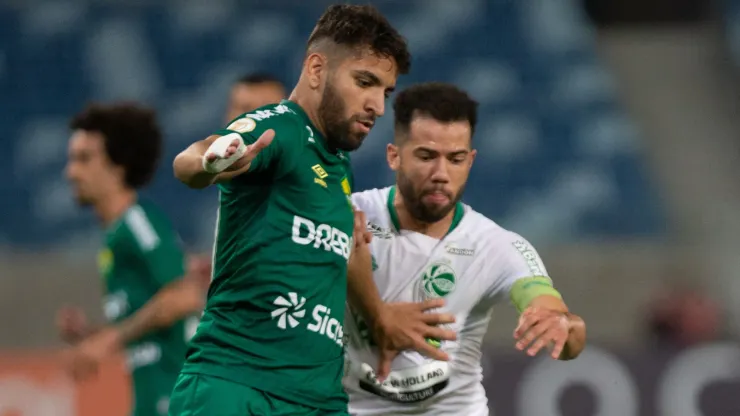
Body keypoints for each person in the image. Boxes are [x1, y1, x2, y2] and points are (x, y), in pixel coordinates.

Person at [169, 4, 456, 416]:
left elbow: (346, 248)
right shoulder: (281, 128)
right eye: (365, 82)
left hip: (317, 399)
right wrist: (212, 161)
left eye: (385, 92)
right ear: (317, 69)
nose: (377, 105)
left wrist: (379, 317)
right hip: (238, 387)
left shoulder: (338, 166)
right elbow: (190, 161)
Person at [344, 83, 588, 415]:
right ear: (394, 156)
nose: (441, 174)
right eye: (426, 156)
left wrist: (562, 325)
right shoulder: (349, 216)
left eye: (455, 159)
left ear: (470, 161)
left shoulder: (496, 245)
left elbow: (558, 321)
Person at [60, 103, 210, 416]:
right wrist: (93, 335)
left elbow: (183, 296)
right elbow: (149, 320)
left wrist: (108, 340)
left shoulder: (137, 223)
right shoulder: (117, 237)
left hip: (177, 399)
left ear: (118, 166)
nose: (70, 172)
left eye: (84, 159)